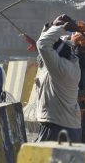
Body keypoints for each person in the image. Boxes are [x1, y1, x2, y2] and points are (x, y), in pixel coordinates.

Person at [34, 14, 81, 142]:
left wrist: (62, 28)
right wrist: (52, 26)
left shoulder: (63, 69)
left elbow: (43, 44)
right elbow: (43, 46)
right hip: (61, 125)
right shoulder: (60, 63)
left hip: (58, 128)